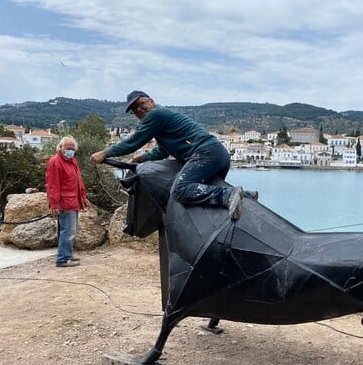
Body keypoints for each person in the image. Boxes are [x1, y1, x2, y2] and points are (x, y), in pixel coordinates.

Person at [90, 91, 254, 220]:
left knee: (180, 190)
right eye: (134, 110)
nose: (139, 110)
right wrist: (144, 158)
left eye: (140, 104)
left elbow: (133, 141)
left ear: (151, 101)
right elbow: (163, 150)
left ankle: (229, 194)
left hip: (205, 153)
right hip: (218, 154)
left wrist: (105, 153)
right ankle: (247, 196)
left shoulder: (156, 114)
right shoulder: (163, 118)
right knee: (203, 192)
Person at [46, 136, 89, 267]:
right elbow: (53, 185)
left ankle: (67, 255)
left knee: (70, 229)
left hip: (73, 201)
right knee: (68, 230)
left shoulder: (72, 161)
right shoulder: (56, 162)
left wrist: (83, 197)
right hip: (66, 202)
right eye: (68, 148)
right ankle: (62, 259)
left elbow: (77, 182)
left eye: (72, 148)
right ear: (61, 148)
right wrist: (54, 204)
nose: (70, 150)